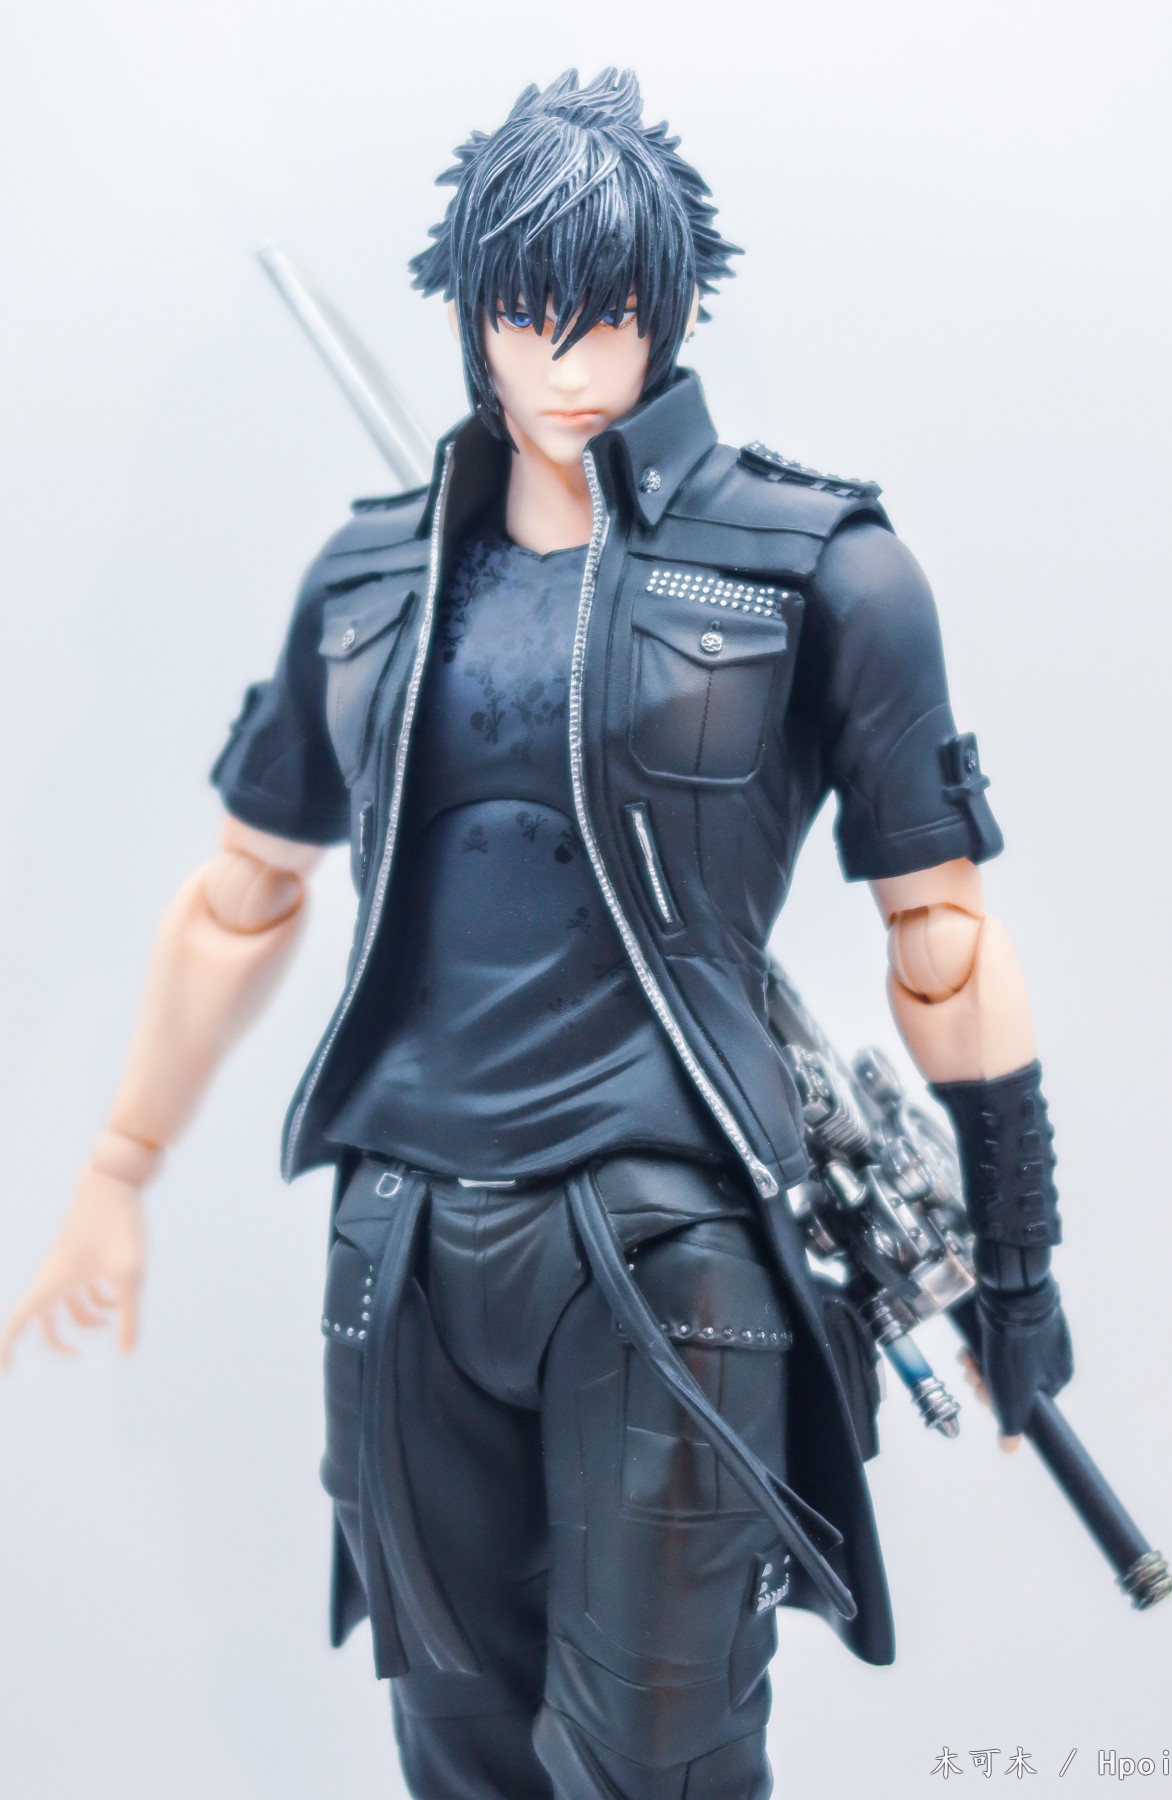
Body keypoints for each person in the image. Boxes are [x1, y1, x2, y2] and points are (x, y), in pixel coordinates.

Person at [1, 68, 1072, 1800]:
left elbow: (940, 935)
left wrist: (1017, 1260)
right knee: (457, 1753)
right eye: (529, 317)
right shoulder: (369, 579)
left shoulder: (819, 568)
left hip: (665, 1246)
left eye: (614, 317)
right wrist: (119, 1165)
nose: (573, 364)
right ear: (472, 317)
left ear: (675, 311)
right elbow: (240, 894)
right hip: (400, 1241)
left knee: (659, 1761)